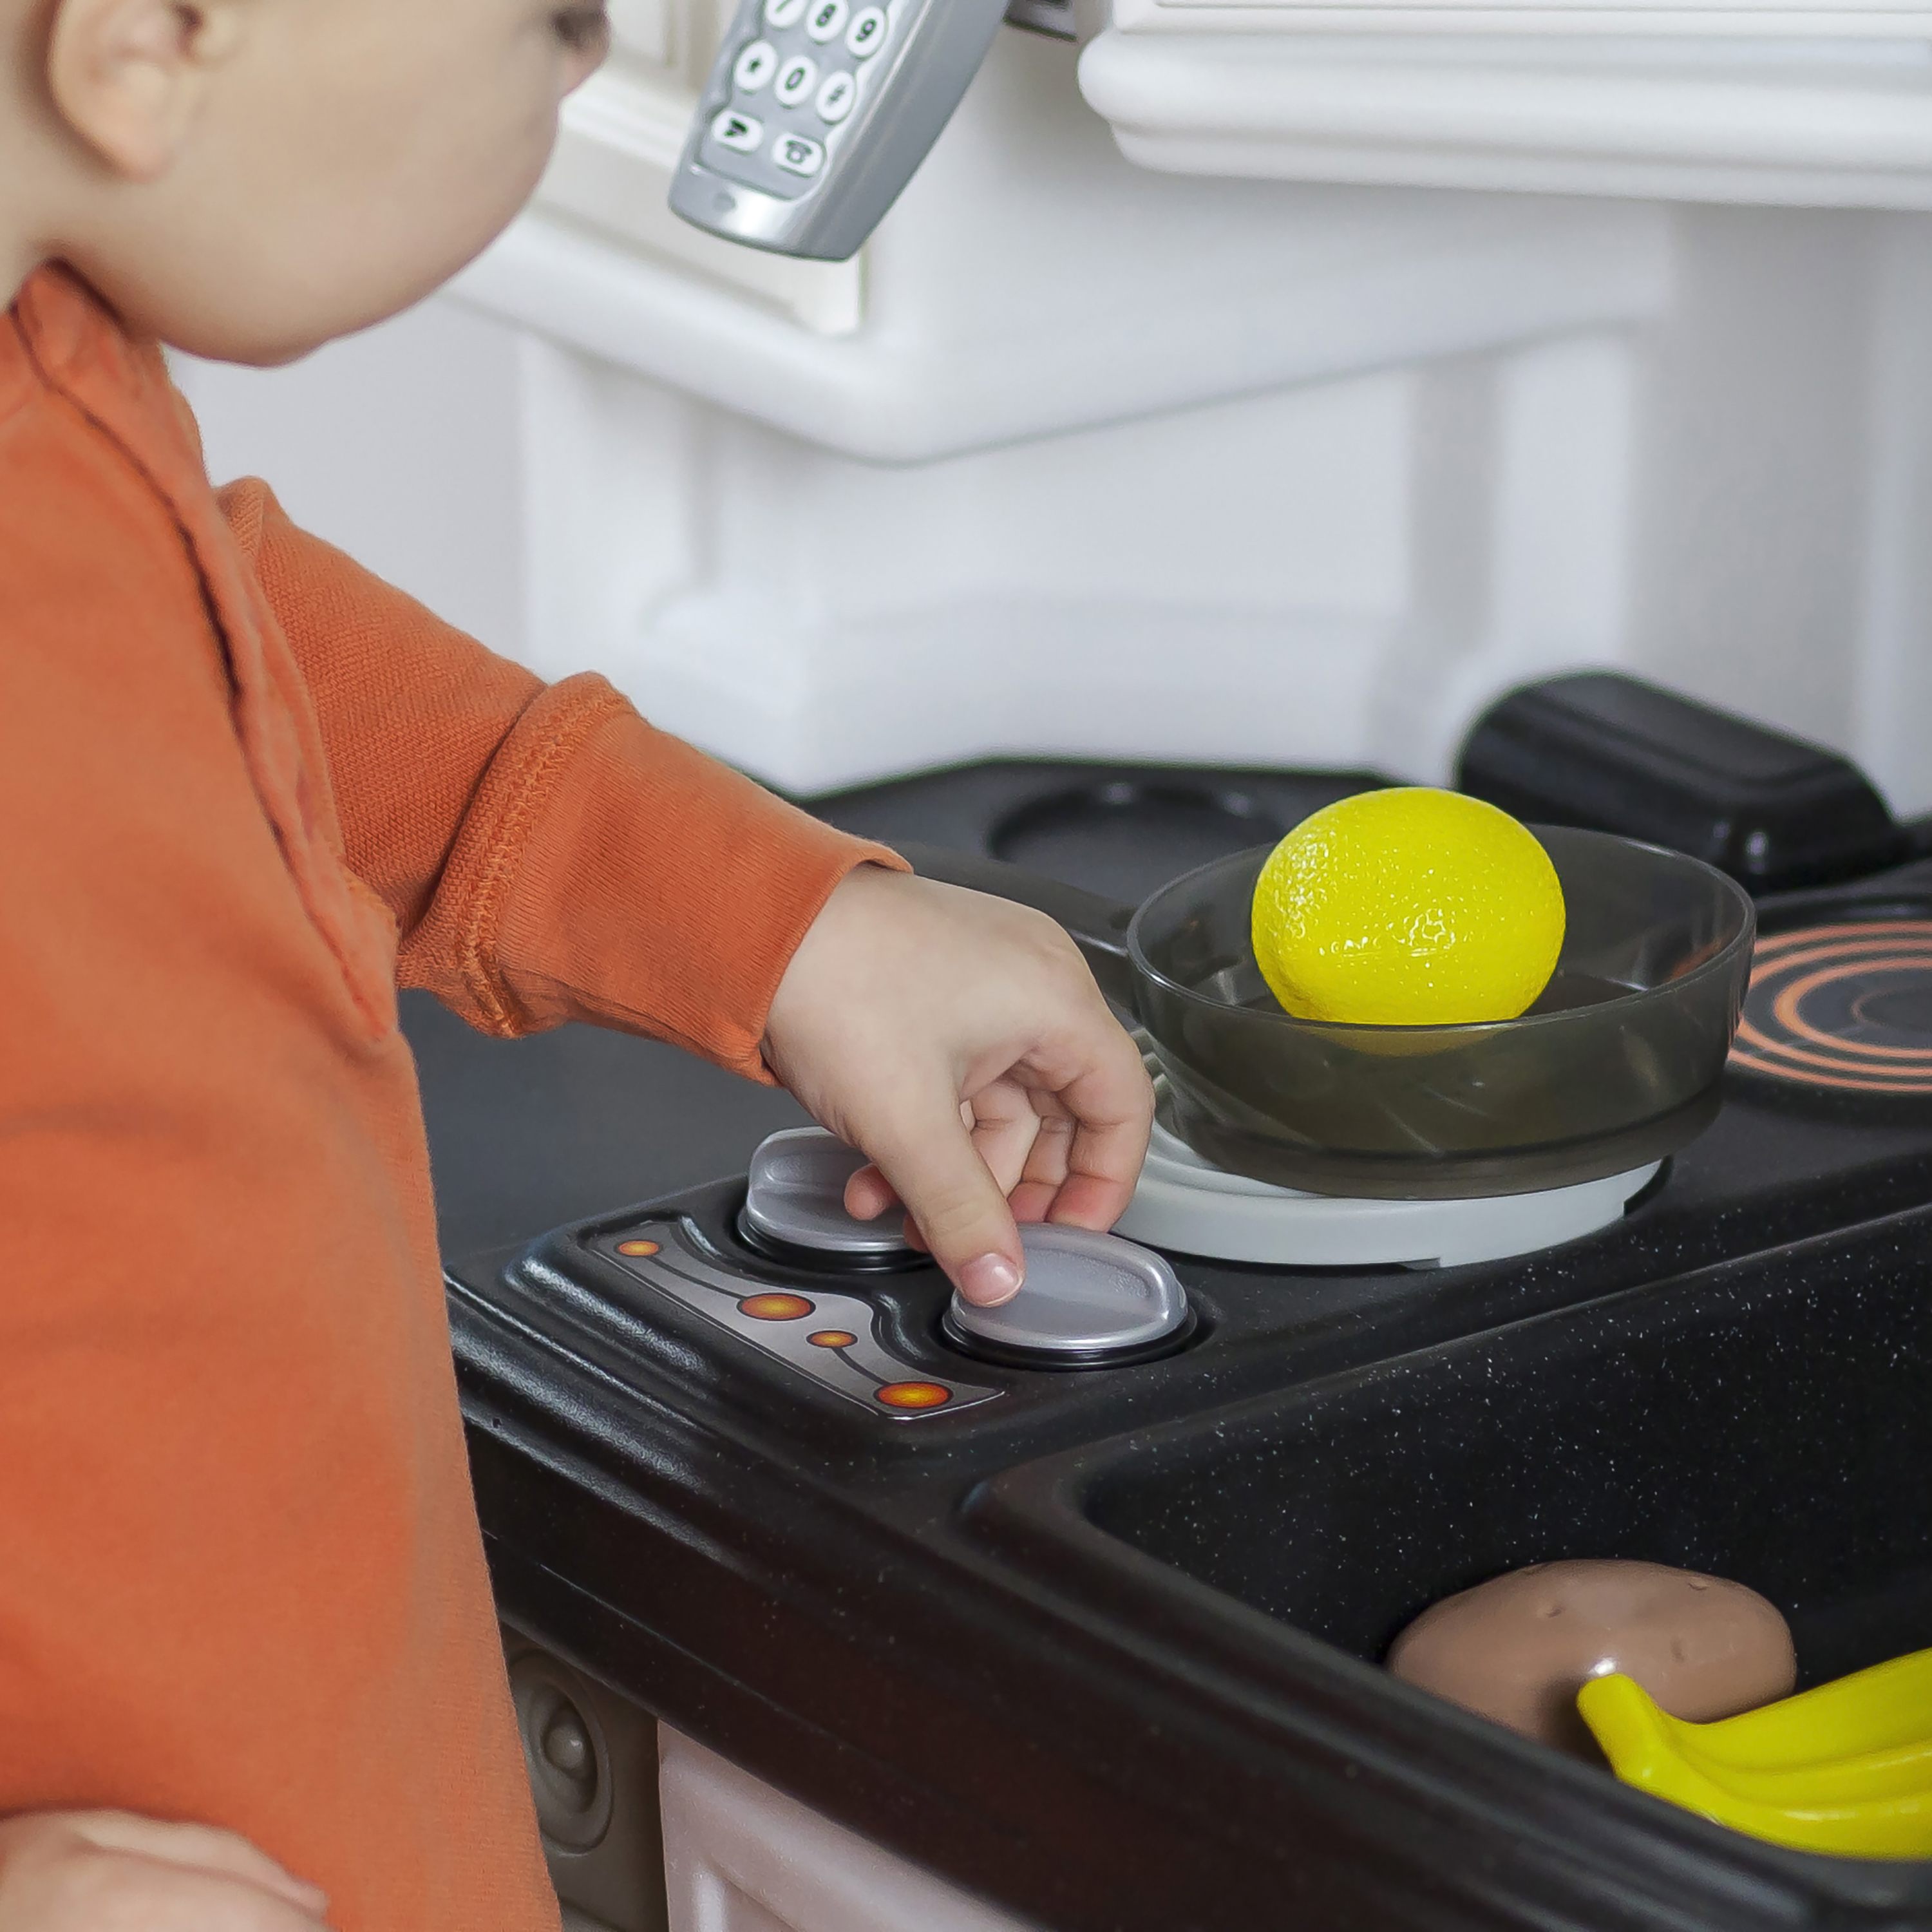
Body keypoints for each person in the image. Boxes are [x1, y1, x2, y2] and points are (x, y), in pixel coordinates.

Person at [0, 0, 1154, 1924]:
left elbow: (203, 653)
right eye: (559, 15)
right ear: (153, 37)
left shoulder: (53, 374)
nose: (585, 59)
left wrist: (780, 921)